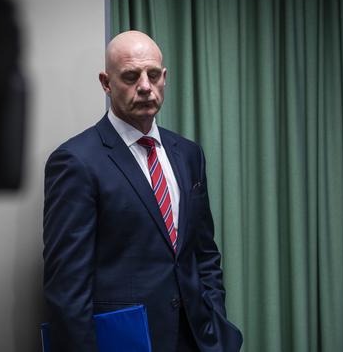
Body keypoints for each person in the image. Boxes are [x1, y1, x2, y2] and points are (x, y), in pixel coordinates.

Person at [43, 30, 243, 352]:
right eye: (131, 77)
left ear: (164, 77)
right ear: (106, 83)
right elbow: (67, 285)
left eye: (153, 75)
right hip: (126, 342)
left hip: (197, 338)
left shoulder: (189, 154)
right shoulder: (76, 161)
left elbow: (203, 254)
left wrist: (216, 321)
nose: (145, 86)